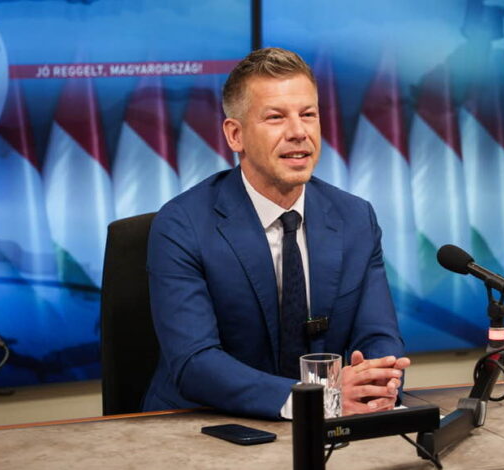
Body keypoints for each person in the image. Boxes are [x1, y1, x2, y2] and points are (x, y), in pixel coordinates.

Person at [143, 47, 409, 419]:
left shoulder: (355, 218)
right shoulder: (182, 224)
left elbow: (378, 336)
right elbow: (194, 362)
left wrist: (376, 384)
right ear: (235, 135)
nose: (298, 132)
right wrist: (315, 399)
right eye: (275, 117)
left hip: (334, 420)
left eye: (308, 114)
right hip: (206, 426)